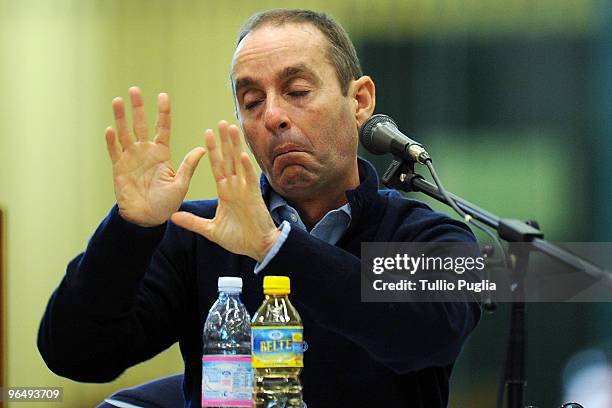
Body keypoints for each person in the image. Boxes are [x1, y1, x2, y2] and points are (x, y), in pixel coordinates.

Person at [38, 9, 481, 408]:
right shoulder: (198, 233)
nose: (274, 116)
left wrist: (275, 248)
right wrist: (130, 229)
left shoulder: (427, 235)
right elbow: (77, 355)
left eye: (298, 90)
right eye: (252, 102)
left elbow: (426, 336)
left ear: (360, 100)